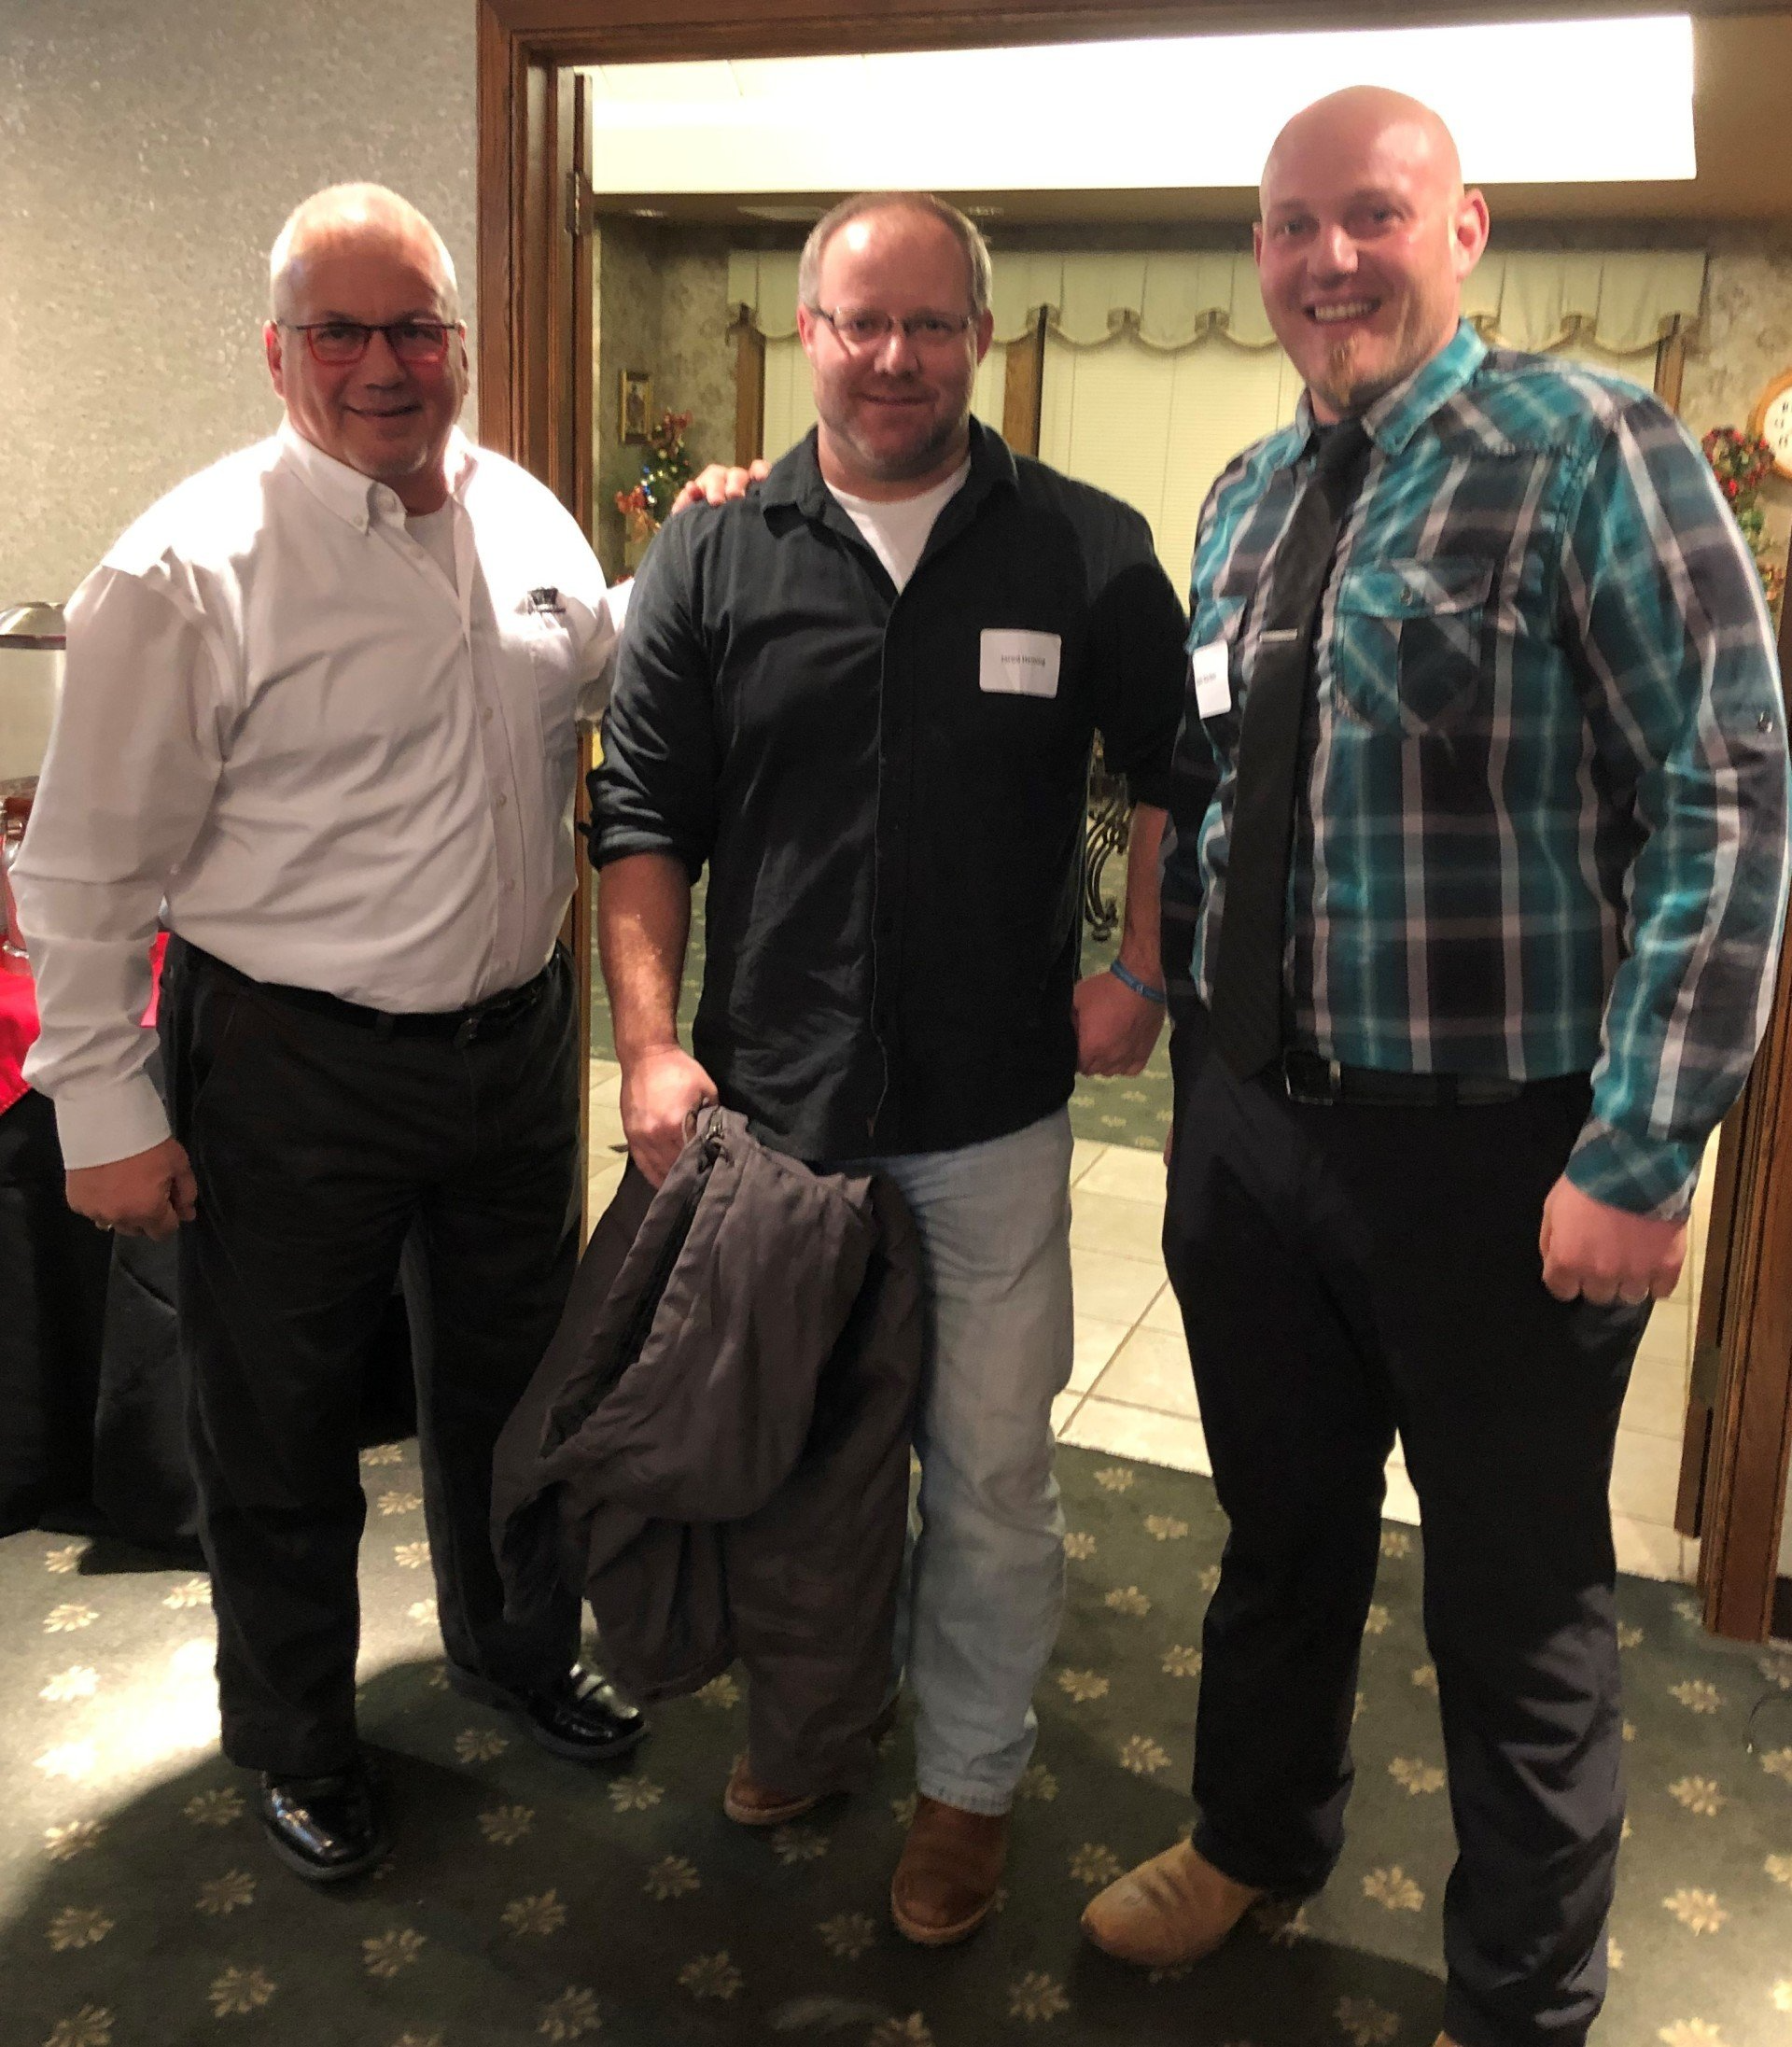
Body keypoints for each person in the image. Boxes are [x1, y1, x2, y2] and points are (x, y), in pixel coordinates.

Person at [1079, 88, 1791, 2047]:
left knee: (1519, 1600)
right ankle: (1251, 1838)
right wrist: (1174, 1020)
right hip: (1251, 1134)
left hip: (1499, 1159)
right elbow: (1214, 791)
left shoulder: (1593, 452)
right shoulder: (1242, 495)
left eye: (1371, 217)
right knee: (1279, 1533)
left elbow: (1729, 800)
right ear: (1259, 255)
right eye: (1292, 226)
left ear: (1464, 228)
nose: (1329, 261)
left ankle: (1522, 2002)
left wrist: (1646, 1146)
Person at [13, 183, 647, 1886]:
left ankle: (516, 1652)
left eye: (416, 326)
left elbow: (602, 669)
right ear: (278, 353)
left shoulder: (525, 519)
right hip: (291, 1064)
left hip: (517, 1047)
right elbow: (79, 867)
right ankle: (297, 1732)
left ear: (459, 339)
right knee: (278, 1422)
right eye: (343, 331)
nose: (386, 362)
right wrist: (101, 1109)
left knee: (521, 1395)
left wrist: (714, 548)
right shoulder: (181, 567)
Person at [590, 190, 1186, 1945]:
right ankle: (817, 1724)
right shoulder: (711, 554)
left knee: (990, 1468)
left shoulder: (1083, 547)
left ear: (980, 338)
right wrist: (645, 1042)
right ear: (809, 333)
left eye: (931, 324)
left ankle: (970, 1787)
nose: (895, 357)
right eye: (861, 323)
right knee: (799, 1449)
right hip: (774, 1118)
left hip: (991, 1116)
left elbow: (1172, 772)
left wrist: (1141, 965)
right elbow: (641, 817)